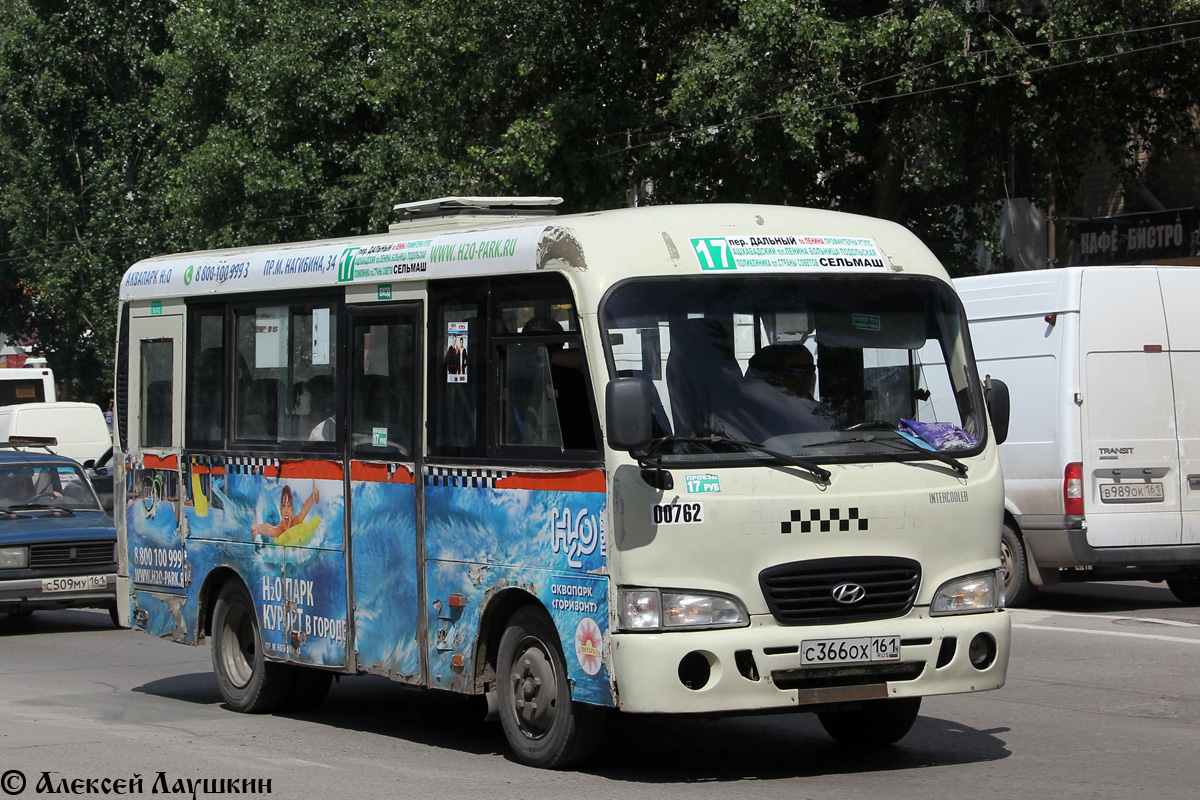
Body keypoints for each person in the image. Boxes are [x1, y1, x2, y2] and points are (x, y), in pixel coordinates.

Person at [252, 481, 319, 539]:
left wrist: (312, 497)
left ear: (292, 511)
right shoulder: (279, 530)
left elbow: (304, 509)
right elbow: (270, 529)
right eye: (284, 505)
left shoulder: (296, 522)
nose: (286, 510)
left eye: (289, 506)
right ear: (281, 510)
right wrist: (258, 528)